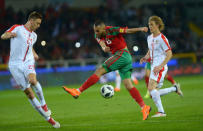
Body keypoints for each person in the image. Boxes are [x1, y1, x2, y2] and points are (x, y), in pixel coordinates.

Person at [63, 20, 151, 120]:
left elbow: (128, 31)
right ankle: (144, 107)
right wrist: (104, 48)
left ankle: (78, 91)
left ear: (104, 28)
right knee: (128, 85)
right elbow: (102, 44)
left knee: (99, 71)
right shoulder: (97, 36)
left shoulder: (112, 30)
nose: (96, 33)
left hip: (122, 54)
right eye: (95, 31)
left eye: (97, 31)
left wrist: (140, 29)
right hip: (125, 58)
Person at [1, 11, 60, 128]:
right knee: (29, 93)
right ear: (31, 21)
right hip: (14, 64)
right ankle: (49, 119)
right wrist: (9, 35)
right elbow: (3, 35)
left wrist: (34, 53)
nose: (38, 26)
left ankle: (44, 104)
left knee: (33, 80)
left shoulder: (34, 36)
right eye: (37, 23)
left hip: (27, 61)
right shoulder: (17, 28)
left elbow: (29, 46)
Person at [140, 16, 183, 117]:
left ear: (158, 25)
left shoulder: (162, 38)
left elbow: (169, 54)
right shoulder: (149, 38)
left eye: (152, 25)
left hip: (159, 67)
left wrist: (160, 66)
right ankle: (174, 89)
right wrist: (145, 57)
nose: (150, 27)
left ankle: (161, 112)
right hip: (153, 66)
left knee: (151, 88)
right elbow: (150, 50)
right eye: (149, 25)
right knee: (153, 92)